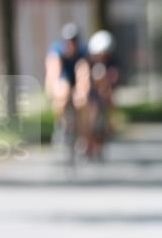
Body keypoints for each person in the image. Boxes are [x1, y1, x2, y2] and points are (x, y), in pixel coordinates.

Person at [44, 23, 90, 138]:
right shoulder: (57, 50)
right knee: (62, 94)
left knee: (81, 101)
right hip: (64, 75)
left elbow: (84, 72)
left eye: (74, 41)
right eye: (69, 41)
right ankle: (62, 124)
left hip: (76, 75)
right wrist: (53, 91)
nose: (71, 44)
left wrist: (82, 92)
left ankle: (81, 133)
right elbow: (53, 72)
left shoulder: (83, 51)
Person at [84, 30, 119, 160]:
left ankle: (107, 129)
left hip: (104, 92)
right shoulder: (88, 61)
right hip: (92, 91)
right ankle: (87, 141)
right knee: (90, 113)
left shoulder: (112, 61)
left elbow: (114, 78)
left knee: (107, 107)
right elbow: (84, 78)